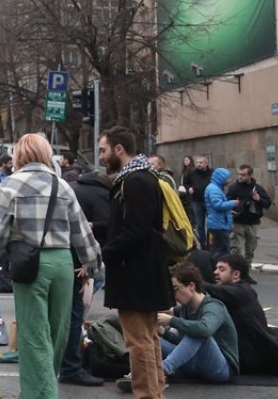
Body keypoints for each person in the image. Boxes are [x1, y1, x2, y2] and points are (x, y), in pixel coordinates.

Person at [0, 133, 101, 399]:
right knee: (57, 334)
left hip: (31, 265)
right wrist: (91, 266)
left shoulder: (10, 186)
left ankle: (39, 394)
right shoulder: (63, 186)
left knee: (34, 338)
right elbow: (82, 231)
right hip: (63, 264)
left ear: (20, 155)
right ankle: (42, 389)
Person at [100, 126, 173, 399]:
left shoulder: (136, 181)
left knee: (139, 342)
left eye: (104, 150)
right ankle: (155, 392)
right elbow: (129, 227)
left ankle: (147, 395)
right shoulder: (141, 177)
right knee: (149, 338)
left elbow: (135, 231)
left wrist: (103, 255)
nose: (102, 156)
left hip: (136, 274)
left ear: (119, 149)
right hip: (144, 272)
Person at [58, 169, 113, 387]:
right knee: (75, 312)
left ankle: (61, 361)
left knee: (58, 314)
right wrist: (88, 266)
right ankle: (71, 366)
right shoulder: (101, 196)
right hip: (75, 259)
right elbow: (94, 230)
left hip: (52, 256)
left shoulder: (72, 188)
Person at [204, 253, 278, 377]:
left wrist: (193, 282)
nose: (216, 272)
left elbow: (213, 291)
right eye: (216, 268)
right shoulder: (231, 291)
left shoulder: (242, 291)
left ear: (236, 274)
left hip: (247, 357)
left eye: (222, 269)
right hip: (244, 350)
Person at [149, 262, 238, 387]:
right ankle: (143, 374)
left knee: (200, 331)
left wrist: (171, 320)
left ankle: (162, 370)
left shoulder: (214, 306)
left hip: (221, 369)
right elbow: (184, 343)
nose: (173, 296)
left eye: (175, 289)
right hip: (195, 363)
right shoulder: (186, 308)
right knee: (153, 339)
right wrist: (163, 332)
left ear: (191, 286)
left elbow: (204, 330)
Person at [226, 165, 268, 276]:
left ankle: (246, 273)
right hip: (238, 222)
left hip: (252, 223)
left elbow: (268, 202)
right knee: (236, 249)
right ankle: (235, 273)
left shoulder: (257, 188)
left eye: (243, 175)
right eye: (239, 174)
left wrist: (259, 199)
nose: (240, 177)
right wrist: (230, 209)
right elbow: (227, 201)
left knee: (250, 249)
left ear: (250, 175)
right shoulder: (234, 187)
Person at [203, 167, 236, 261]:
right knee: (223, 250)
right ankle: (212, 265)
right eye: (227, 178)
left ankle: (213, 266)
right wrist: (233, 203)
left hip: (217, 222)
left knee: (219, 248)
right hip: (218, 224)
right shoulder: (214, 189)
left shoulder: (215, 188)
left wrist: (229, 211)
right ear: (221, 178)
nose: (229, 180)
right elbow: (218, 205)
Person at [184, 156, 213, 247]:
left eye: (201, 163)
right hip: (196, 201)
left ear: (206, 163)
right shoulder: (192, 173)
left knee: (211, 223)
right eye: (197, 162)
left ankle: (210, 243)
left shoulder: (212, 173)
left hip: (209, 201)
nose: (198, 164)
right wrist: (189, 189)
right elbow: (185, 183)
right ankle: (203, 243)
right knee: (200, 224)